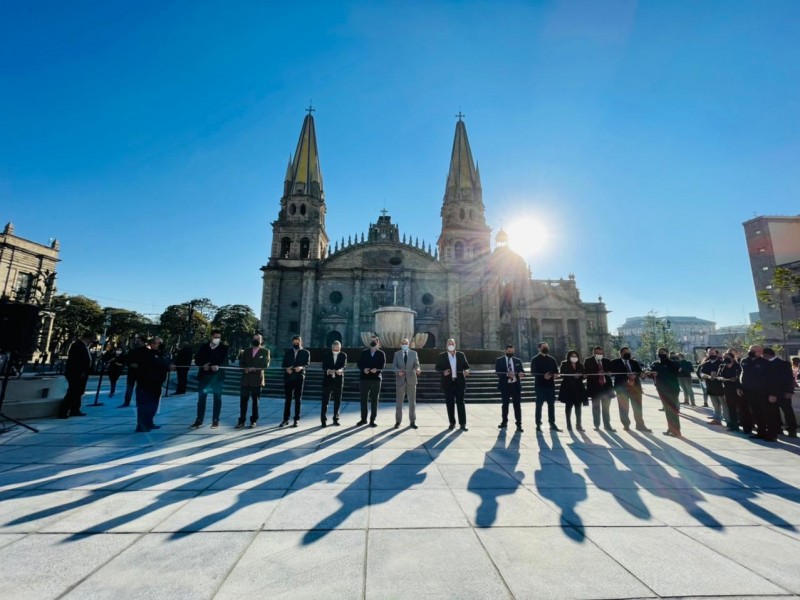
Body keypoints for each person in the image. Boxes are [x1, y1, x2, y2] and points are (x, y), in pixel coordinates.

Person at [190, 330, 228, 429]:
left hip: (217, 377)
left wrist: (218, 366)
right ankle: (199, 420)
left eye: (219, 337)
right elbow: (197, 359)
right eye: (216, 337)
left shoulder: (223, 348)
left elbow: (226, 362)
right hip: (204, 375)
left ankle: (215, 420)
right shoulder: (203, 347)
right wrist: (202, 365)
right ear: (211, 337)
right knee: (201, 399)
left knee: (217, 399)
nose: (217, 339)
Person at [133, 336, 172, 432]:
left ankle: (149, 422)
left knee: (153, 404)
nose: (160, 345)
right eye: (158, 343)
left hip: (157, 383)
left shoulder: (160, 353)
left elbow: (165, 363)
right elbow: (157, 364)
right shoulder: (146, 353)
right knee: (144, 405)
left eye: (160, 343)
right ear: (152, 344)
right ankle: (141, 425)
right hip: (145, 383)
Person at [610, 347, 651, 432]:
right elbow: (612, 374)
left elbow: (640, 373)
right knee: (623, 408)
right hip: (622, 389)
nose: (628, 354)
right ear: (620, 353)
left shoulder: (634, 362)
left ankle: (640, 425)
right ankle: (626, 425)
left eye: (629, 352)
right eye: (625, 352)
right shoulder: (614, 362)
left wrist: (644, 374)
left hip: (635, 388)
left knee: (637, 407)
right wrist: (627, 375)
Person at [57, 331, 96, 418]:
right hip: (76, 373)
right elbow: (76, 361)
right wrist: (81, 371)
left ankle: (75, 409)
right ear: (88, 338)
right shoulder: (77, 345)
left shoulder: (84, 346)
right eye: (92, 339)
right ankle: (63, 411)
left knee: (79, 392)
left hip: (82, 373)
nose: (92, 342)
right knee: (72, 391)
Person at [237, 333, 270, 429]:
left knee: (255, 402)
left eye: (258, 339)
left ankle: (253, 421)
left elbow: (265, 365)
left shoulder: (265, 352)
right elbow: (241, 363)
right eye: (254, 338)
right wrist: (245, 369)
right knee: (243, 401)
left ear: (261, 341)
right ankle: (241, 421)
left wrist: (254, 369)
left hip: (257, 380)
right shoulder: (246, 351)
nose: (256, 340)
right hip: (246, 380)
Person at [435, 338, 470, 431]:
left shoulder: (461, 355)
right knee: (450, 404)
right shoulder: (441, 356)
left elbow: (466, 366)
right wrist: (443, 371)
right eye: (449, 343)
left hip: (459, 383)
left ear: (455, 345)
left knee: (460, 403)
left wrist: (466, 370)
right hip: (448, 383)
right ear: (446, 345)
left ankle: (463, 424)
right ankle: (452, 423)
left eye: (452, 343)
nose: (450, 345)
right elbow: (437, 368)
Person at [763, 347, 797, 439]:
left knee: (788, 412)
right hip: (770, 393)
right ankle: (778, 429)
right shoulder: (764, 364)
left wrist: (789, 391)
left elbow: (790, 379)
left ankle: (792, 430)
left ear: (767, 355)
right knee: (774, 412)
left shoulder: (784, 364)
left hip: (783, 393)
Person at [648, 347, 682, 437]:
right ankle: (670, 428)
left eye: (662, 352)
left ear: (667, 353)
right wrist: (650, 374)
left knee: (673, 409)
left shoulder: (672, 363)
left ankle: (676, 431)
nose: (660, 354)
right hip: (661, 389)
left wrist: (659, 373)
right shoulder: (655, 364)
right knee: (667, 410)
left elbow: (675, 372)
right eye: (659, 352)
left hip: (672, 389)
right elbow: (651, 373)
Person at [530, 341, 560, 432]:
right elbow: (533, 372)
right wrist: (543, 376)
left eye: (547, 347)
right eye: (544, 347)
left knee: (551, 405)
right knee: (539, 405)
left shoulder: (552, 359)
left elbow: (556, 371)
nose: (546, 348)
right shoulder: (535, 359)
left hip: (550, 385)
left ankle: (552, 423)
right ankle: (538, 423)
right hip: (540, 385)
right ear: (539, 348)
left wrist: (556, 375)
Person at [584, 346, 615, 432]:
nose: (599, 355)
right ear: (594, 353)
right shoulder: (588, 361)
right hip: (595, 388)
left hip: (606, 388)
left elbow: (612, 372)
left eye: (601, 353)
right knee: (596, 408)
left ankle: (607, 425)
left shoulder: (607, 361)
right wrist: (596, 373)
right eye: (598, 353)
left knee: (606, 408)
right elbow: (586, 372)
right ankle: (597, 425)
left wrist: (608, 373)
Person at [737, 345, 766, 437]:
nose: (752, 352)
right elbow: (740, 374)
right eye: (751, 350)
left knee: (758, 411)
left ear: (761, 352)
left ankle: (761, 432)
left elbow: (766, 378)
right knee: (744, 410)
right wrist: (739, 387)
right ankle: (747, 429)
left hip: (757, 391)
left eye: (755, 350)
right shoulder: (744, 360)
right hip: (744, 390)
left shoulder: (764, 362)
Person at [357, 334, 386, 427]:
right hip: (364, 379)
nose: (372, 342)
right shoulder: (363, 352)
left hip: (376, 379)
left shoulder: (381, 353)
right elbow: (359, 364)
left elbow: (382, 365)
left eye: (374, 341)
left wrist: (377, 369)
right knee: (363, 400)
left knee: (374, 400)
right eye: (371, 341)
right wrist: (363, 369)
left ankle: (372, 420)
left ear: (377, 342)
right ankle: (363, 419)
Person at [281, 335, 310, 427]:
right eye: (294, 343)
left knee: (298, 399)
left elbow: (307, 364)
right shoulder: (288, 352)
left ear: (301, 342)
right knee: (288, 399)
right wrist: (286, 369)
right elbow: (283, 364)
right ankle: (285, 419)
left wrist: (301, 368)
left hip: (299, 377)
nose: (296, 344)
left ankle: (296, 419)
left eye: (297, 342)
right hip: (289, 377)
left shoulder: (306, 352)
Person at [392, 337, 421, 429]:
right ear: (401, 344)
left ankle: (412, 421)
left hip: (411, 380)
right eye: (403, 343)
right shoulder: (397, 354)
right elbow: (394, 366)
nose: (405, 344)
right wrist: (398, 371)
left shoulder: (414, 353)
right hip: (400, 380)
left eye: (406, 343)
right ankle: (398, 421)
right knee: (399, 402)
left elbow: (417, 364)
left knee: (412, 402)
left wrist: (418, 369)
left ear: (408, 344)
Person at [495, 344, 524, 432]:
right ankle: (504, 422)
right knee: (505, 405)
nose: (510, 353)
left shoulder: (517, 360)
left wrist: (522, 374)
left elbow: (522, 371)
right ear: (505, 351)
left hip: (515, 385)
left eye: (512, 352)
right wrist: (507, 374)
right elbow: (498, 372)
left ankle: (519, 424)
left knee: (517, 406)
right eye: (509, 351)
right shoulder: (499, 360)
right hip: (505, 386)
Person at [558, 350, 586, 432]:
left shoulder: (580, 364)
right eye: (572, 356)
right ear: (569, 357)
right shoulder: (564, 364)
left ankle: (579, 425)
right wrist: (573, 376)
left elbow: (584, 374)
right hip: (568, 387)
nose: (574, 358)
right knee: (568, 407)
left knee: (578, 408)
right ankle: (568, 424)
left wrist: (582, 376)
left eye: (575, 356)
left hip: (578, 388)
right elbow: (562, 374)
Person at [321, 340, 347, 427]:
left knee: (337, 401)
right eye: (335, 349)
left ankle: (336, 419)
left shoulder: (343, 355)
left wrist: (341, 370)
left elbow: (344, 366)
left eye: (338, 349)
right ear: (332, 348)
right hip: (327, 380)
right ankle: (323, 420)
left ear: (340, 348)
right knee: (325, 401)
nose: (337, 351)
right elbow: (323, 367)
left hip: (338, 380)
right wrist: (328, 370)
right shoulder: (326, 355)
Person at [697, 349, 726, 425]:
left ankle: (729, 421)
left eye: (712, 353)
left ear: (717, 353)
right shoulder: (706, 364)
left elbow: (725, 374)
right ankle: (717, 419)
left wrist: (716, 375)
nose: (711, 354)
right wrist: (709, 376)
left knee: (724, 405)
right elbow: (701, 373)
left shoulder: (721, 363)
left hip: (720, 387)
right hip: (710, 386)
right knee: (715, 405)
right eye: (709, 353)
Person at [718, 352, 743, 432]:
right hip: (727, 389)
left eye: (727, 357)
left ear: (732, 358)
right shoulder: (722, 366)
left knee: (740, 408)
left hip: (737, 389)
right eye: (724, 357)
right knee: (731, 408)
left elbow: (740, 377)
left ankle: (744, 424)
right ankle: (733, 425)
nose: (725, 359)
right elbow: (719, 376)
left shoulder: (738, 366)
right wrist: (724, 379)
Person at [119, 334, 145, 408]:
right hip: (132, 371)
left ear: (142, 341)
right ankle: (126, 402)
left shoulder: (146, 351)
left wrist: (140, 366)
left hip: (141, 372)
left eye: (138, 340)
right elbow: (127, 359)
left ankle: (138, 402)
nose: (136, 341)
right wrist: (130, 364)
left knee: (139, 388)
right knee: (129, 387)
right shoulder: (133, 350)